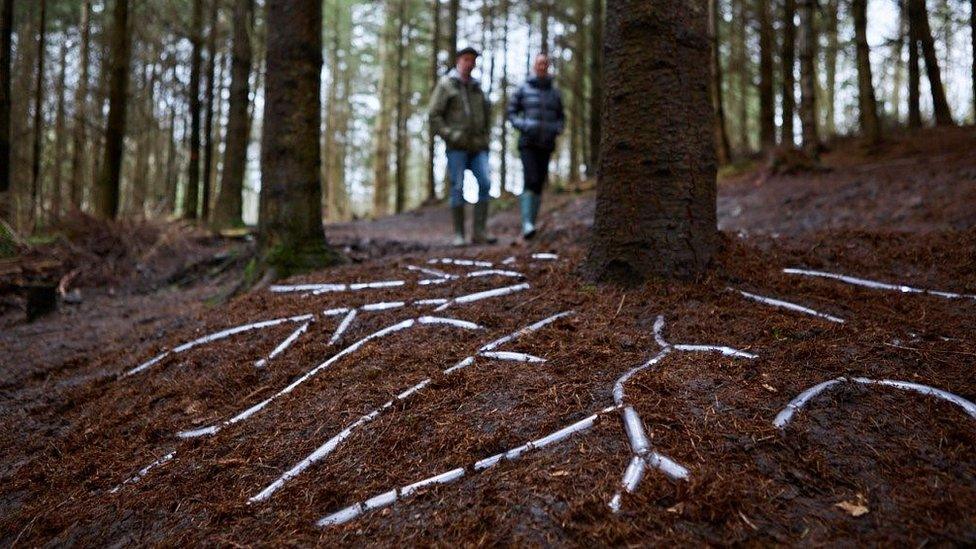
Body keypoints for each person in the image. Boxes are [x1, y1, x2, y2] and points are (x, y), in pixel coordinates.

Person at [428, 46, 495, 246]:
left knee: (485, 183)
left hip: (478, 147)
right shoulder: (446, 85)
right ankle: (459, 234)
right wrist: (450, 135)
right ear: (459, 61)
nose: (470, 63)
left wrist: (485, 137)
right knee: (457, 187)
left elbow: (486, 114)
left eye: (473, 60)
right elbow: (433, 115)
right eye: (466, 59)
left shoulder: (477, 87)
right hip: (456, 147)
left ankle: (479, 232)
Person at [507, 53, 565, 240]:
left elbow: (561, 117)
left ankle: (532, 223)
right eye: (539, 63)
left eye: (545, 64)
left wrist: (556, 129)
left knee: (539, 183)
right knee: (530, 179)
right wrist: (524, 126)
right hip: (528, 143)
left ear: (548, 66)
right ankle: (526, 224)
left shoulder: (554, 92)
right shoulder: (524, 89)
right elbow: (511, 112)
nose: (542, 66)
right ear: (534, 65)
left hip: (546, 143)